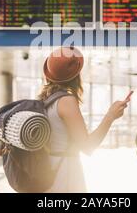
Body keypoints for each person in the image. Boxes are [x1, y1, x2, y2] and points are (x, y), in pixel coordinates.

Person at [38, 46, 130, 193]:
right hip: (65, 176)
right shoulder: (66, 101)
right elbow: (87, 147)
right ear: (76, 75)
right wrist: (110, 116)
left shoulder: (45, 100)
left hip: (48, 172)